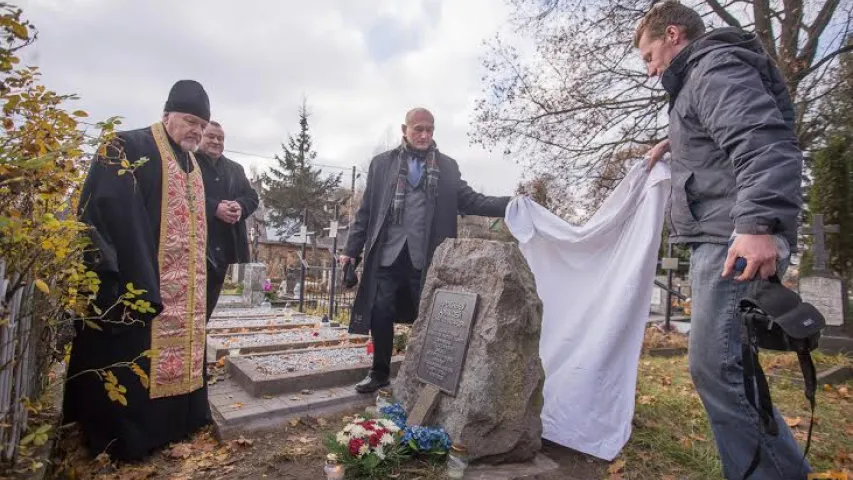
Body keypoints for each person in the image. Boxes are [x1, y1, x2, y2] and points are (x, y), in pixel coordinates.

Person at [635, 2, 805, 478]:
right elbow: (723, 137)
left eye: (650, 57)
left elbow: (762, 141)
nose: (650, 72)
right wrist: (675, 141)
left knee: (717, 369)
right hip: (724, 235)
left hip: (734, 238)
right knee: (732, 370)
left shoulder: (713, 67)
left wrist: (756, 227)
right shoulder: (701, 80)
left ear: (672, 34)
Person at [64, 80, 214, 461]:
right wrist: (141, 274)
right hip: (136, 282)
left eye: (202, 124)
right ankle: (127, 438)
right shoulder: (128, 147)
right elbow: (110, 217)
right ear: (167, 114)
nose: (196, 130)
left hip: (183, 289)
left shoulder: (192, 165)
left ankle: (174, 424)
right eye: (189, 120)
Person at [340, 108, 511, 393]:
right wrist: (351, 249)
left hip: (429, 258)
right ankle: (379, 372)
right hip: (388, 253)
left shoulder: (447, 167)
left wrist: (509, 204)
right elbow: (367, 210)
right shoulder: (381, 164)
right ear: (404, 129)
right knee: (380, 313)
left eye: (429, 130)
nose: (424, 135)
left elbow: (470, 201)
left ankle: (427, 377)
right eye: (418, 129)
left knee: (433, 318)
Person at [196, 121, 259, 319]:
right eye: (211, 136)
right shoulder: (188, 162)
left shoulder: (235, 169)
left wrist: (239, 206)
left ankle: (199, 345)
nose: (216, 141)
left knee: (207, 308)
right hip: (196, 245)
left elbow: (252, 197)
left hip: (223, 249)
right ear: (200, 137)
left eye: (220, 138)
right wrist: (215, 208)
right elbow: (180, 196)